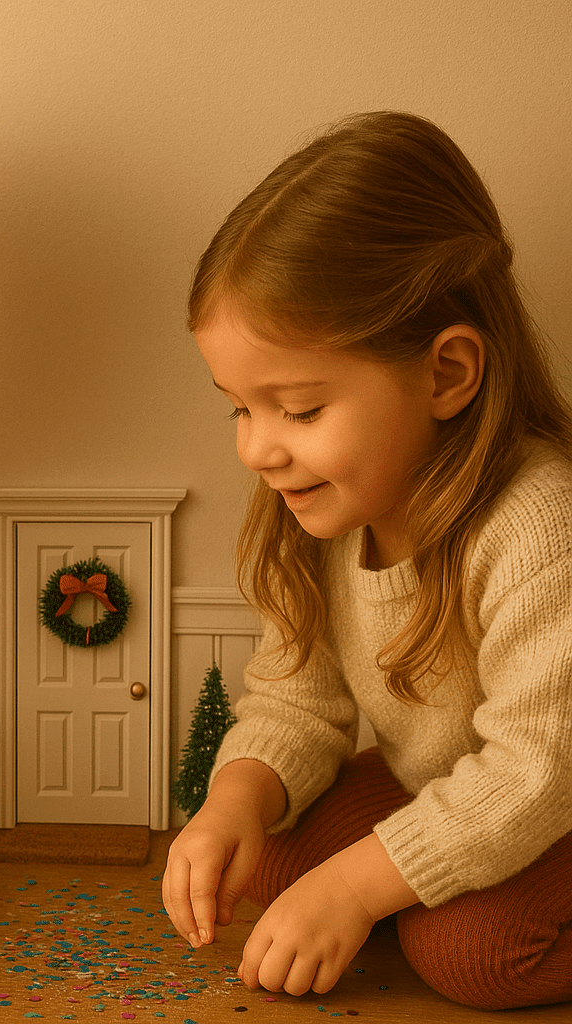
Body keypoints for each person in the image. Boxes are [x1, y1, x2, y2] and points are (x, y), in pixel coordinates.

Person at [162, 111, 572, 1011]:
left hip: (556, 800)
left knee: (471, 955)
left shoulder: (540, 525)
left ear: (446, 374)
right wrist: (237, 793)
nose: (257, 451)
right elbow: (295, 698)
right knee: (261, 850)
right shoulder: (323, 504)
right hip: (438, 780)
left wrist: (354, 889)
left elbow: (536, 772)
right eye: (239, 407)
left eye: (299, 410)